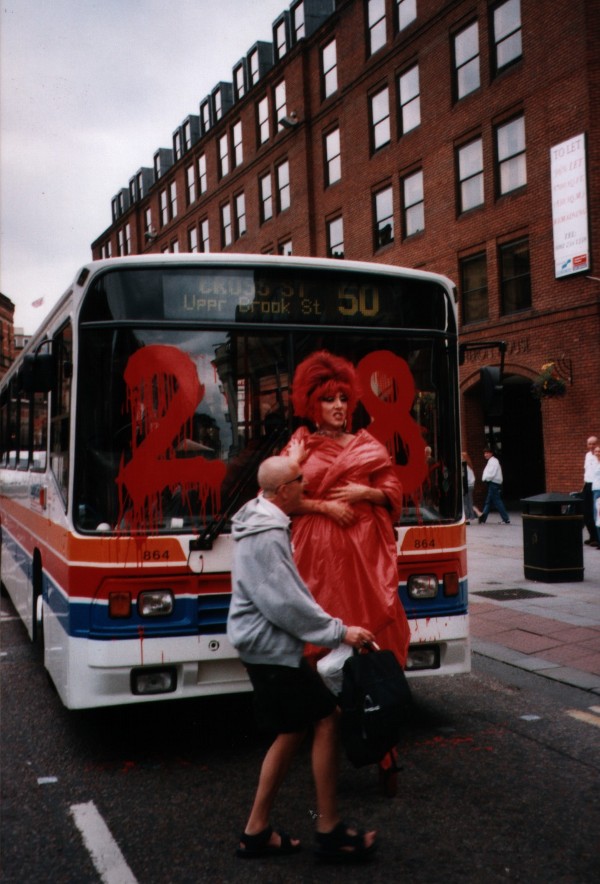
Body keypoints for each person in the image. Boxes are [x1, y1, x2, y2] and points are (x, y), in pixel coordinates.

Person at [227, 455, 378, 863]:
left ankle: (256, 831)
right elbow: (285, 603)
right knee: (327, 717)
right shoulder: (266, 533)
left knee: (293, 730)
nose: (306, 486)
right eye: (300, 481)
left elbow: (287, 598)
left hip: (265, 646)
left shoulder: (262, 520)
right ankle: (329, 829)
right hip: (270, 649)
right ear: (282, 491)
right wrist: (339, 631)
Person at [283, 351, 411, 668]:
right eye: (328, 399)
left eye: (343, 397)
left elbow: (394, 491)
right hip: (318, 559)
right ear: (313, 404)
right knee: (321, 628)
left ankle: (357, 696)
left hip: (364, 558)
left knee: (367, 628)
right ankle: (329, 709)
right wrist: (301, 473)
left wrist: (367, 492)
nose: (338, 405)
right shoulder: (301, 443)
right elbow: (274, 497)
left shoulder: (365, 444)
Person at [478, 447, 510, 524]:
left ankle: (506, 519)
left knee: (497, 501)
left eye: (487, 453)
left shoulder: (493, 462)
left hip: (493, 483)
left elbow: (491, 474)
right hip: (493, 483)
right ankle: (483, 519)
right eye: (484, 453)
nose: (485, 455)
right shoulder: (492, 461)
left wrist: (486, 479)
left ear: (491, 453)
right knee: (489, 502)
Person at [583, 435, 599, 546]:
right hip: (587, 485)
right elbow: (587, 471)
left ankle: (598, 539)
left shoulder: (599, 455)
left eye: (594, 443)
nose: (592, 446)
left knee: (596, 512)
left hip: (597, 486)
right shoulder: (587, 455)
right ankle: (592, 536)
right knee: (586, 512)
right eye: (590, 444)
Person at [461, 451, 479, 523]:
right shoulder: (470, 466)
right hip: (471, 485)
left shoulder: (464, 467)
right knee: (470, 501)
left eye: (461, 457)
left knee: (465, 501)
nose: (461, 458)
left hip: (467, 485)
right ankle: (472, 516)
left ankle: (468, 516)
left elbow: (465, 478)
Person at [591, 444, 600, 550]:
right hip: (595, 490)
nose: (597, 453)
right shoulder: (594, 462)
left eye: (599, 451)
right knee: (596, 517)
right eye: (596, 451)